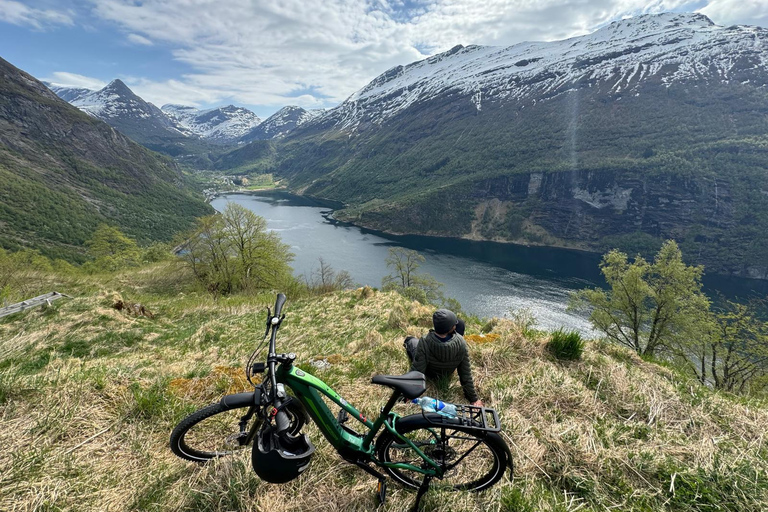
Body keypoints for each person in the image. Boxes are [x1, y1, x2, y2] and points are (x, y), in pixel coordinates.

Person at [404, 309, 483, 407]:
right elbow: (465, 374)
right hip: (447, 372)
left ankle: (407, 340)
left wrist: (407, 393)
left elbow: (417, 369)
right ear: (452, 328)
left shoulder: (425, 341)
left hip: (430, 373)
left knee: (411, 341)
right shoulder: (461, 342)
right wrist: (473, 399)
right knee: (461, 323)